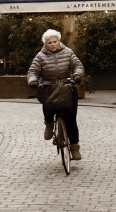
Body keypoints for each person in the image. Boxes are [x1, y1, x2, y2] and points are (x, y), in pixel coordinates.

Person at [27, 29, 85, 160]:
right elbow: (33, 71)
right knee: (47, 106)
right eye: (50, 42)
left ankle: (75, 147)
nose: (53, 44)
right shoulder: (40, 56)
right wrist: (32, 81)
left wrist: (77, 75)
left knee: (71, 119)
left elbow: (78, 65)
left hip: (66, 86)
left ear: (59, 41)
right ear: (45, 44)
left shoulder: (68, 52)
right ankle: (49, 123)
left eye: (55, 41)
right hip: (49, 87)